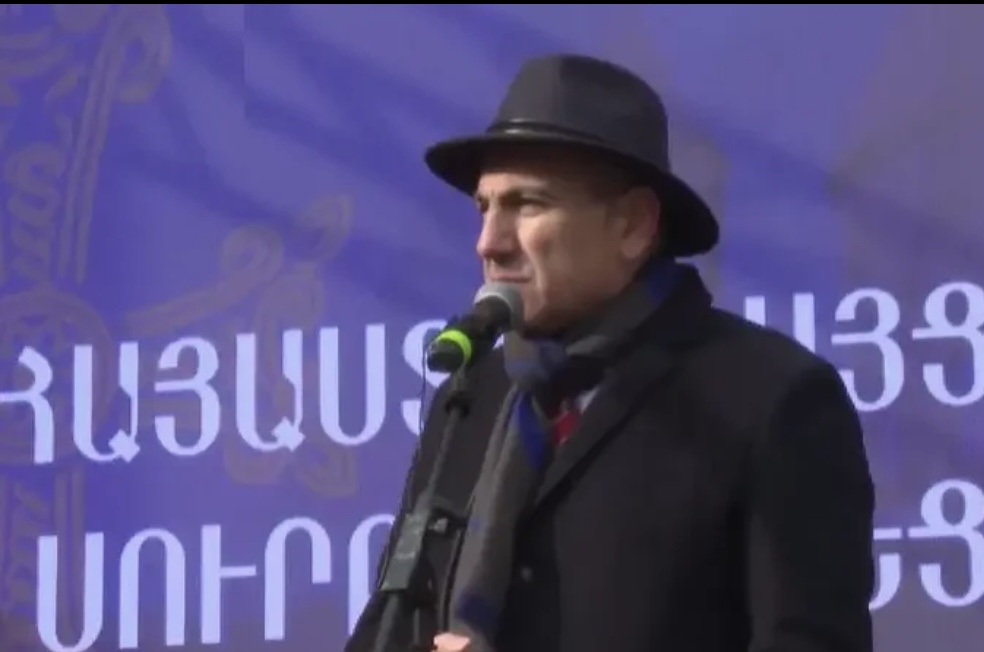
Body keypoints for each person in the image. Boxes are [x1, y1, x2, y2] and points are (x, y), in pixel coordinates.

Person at [346, 53, 875, 652]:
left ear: (633, 226)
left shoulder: (770, 397)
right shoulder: (471, 398)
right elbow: (389, 626)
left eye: (528, 204)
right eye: (484, 207)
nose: (488, 243)